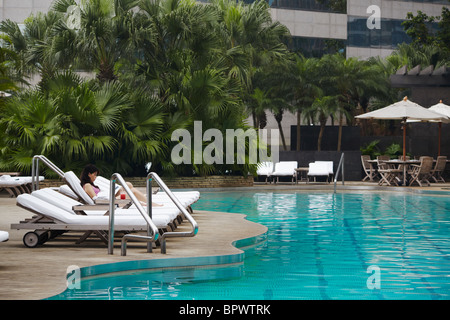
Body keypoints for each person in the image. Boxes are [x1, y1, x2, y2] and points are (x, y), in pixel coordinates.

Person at [80, 164, 162, 206]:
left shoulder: (91, 185)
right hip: (108, 202)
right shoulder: (87, 185)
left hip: (109, 198)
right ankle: (150, 204)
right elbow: (96, 199)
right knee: (132, 191)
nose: (95, 177)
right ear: (89, 174)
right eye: (94, 174)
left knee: (128, 184)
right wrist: (110, 197)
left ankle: (142, 202)